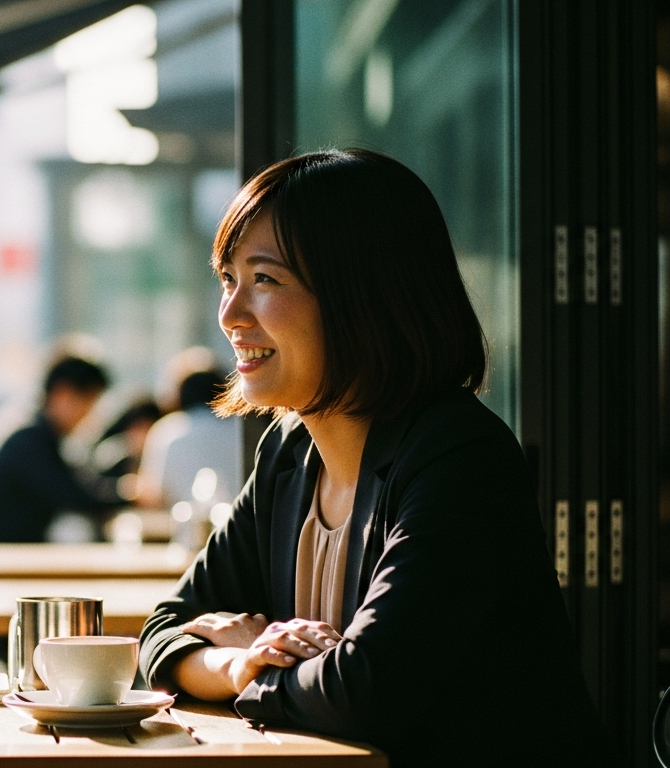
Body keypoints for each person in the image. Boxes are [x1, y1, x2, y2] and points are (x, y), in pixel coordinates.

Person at [139, 150, 606, 767]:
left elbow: (365, 691)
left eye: (265, 280)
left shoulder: (460, 457)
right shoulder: (288, 452)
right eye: (229, 280)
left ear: (360, 296)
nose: (230, 315)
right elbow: (163, 630)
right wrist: (236, 662)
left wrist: (260, 673)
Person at [0, 355, 121, 543]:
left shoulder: (40, 438)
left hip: (13, 552)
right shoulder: (31, 443)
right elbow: (76, 498)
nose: (89, 414)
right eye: (89, 403)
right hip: (2, 556)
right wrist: (130, 495)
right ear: (63, 394)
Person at [135, 366, 243, 512]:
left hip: (185, 528)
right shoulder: (241, 430)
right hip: (239, 526)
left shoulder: (168, 430)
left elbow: (154, 495)